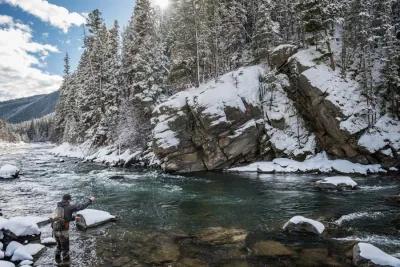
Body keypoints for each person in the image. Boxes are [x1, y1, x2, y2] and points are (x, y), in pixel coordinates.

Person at [52, 194, 95, 264]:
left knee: (59, 246)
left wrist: (74, 218)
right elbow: (82, 206)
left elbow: (64, 217)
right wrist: (90, 200)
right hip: (63, 231)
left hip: (55, 229)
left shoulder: (58, 206)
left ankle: (57, 260)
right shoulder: (70, 206)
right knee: (65, 248)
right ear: (69, 200)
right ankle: (66, 263)